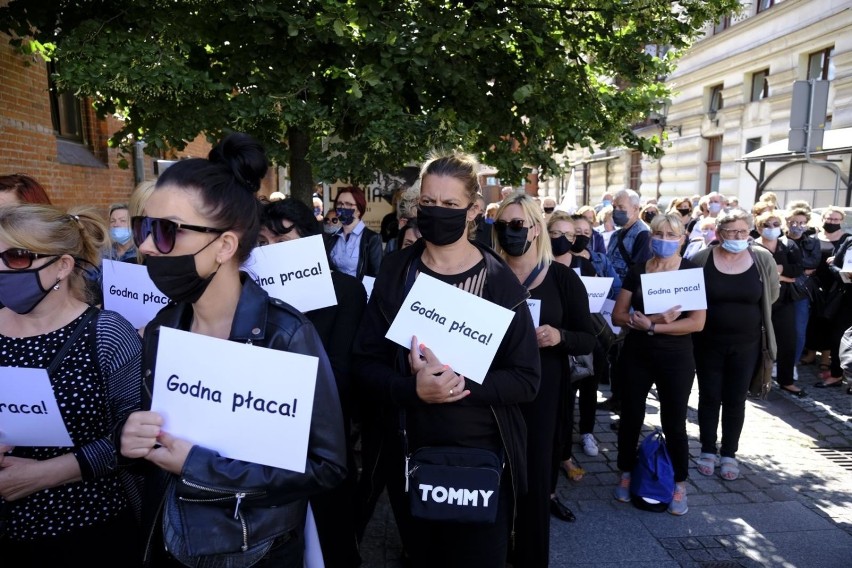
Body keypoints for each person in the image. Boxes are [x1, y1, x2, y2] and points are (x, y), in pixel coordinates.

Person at [118, 133, 347, 567]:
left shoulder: (286, 335)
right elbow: (155, 442)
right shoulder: (164, 327)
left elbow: (326, 466)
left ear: (224, 245)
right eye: (142, 227)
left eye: (166, 231)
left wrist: (201, 467)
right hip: (171, 541)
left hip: (257, 549)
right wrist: (126, 440)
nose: (145, 246)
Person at [352, 150, 540, 568]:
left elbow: (526, 379)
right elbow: (364, 363)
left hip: (480, 456)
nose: (436, 213)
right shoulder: (396, 271)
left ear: (473, 210)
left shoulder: (499, 283)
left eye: (450, 205)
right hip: (409, 450)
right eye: (428, 203)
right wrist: (412, 389)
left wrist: (456, 386)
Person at [0, 204, 143, 566]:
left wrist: (43, 475)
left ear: (62, 266)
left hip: (90, 529)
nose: (1, 268)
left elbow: (134, 438)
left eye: (16, 257)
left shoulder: (108, 334)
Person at [258, 198, 365, 568]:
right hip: (264, 439)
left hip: (320, 443)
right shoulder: (249, 295)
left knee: (329, 543)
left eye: (281, 242)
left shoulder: (346, 291)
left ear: (308, 241)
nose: (269, 252)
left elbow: (341, 373)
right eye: (262, 244)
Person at [494, 195, 594, 565]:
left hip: (543, 390)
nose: (509, 232)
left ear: (536, 228)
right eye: (502, 225)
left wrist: (559, 336)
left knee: (535, 480)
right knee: (497, 476)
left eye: (517, 225)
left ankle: (530, 557)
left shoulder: (561, 277)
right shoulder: (488, 271)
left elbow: (588, 337)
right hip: (495, 388)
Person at [610, 214, 706, 515]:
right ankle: (625, 473)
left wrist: (655, 326)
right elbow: (617, 315)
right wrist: (651, 321)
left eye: (671, 235)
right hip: (637, 355)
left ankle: (679, 484)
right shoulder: (639, 270)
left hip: (676, 358)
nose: (664, 240)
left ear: (682, 239)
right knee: (630, 417)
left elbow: (697, 322)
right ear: (651, 237)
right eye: (659, 234)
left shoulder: (691, 272)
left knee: (674, 422)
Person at [690, 209, 779, 482]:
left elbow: (772, 294)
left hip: (748, 343)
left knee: (735, 399)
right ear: (719, 234)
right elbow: (689, 293)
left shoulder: (762, 258)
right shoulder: (700, 259)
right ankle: (707, 449)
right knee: (709, 396)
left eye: (743, 231)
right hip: (708, 342)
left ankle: (729, 453)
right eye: (731, 232)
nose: (738, 237)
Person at [548, 213, 603, 464]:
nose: (564, 239)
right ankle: (562, 452)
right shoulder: (540, 264)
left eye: (569, 235)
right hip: (553, 341)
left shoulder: (585, 266)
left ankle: (587, 433)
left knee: (589, 386)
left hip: (579, 337)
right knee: (562, 401)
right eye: (557, 234)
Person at [600, 188, 652, 414]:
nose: (617, 212)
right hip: (611, 298)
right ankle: (616, 396)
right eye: (615, 208)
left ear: (636, 209)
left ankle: (623, 400)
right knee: (614, 351)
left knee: (623, 352)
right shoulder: (616, 234)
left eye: (622, 208)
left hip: (628, 301)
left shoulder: (643, 233)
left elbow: (639, 270)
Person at [752, 211, 806, 396]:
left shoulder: (788, 245)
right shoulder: (752, 247)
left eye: (776, 224)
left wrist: (778, 271)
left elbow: (798, 269)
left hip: (784, 301)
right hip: (760, 300)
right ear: (758, 227)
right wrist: (783, 276)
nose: (772, 228)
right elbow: (754, 273)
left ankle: (787, 381)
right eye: (767, 224)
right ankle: (753, 380)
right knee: (757, 341)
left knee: (788, 341)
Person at [809, 207, 851, 384]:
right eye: (830, 219)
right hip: (847, 296)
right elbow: (833, 266)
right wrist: (843, 273)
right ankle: (836, 374)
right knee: (839, 336)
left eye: (836, 219)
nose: (832, 222)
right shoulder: (849, 242)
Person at [327, 186, 383, 280]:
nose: (342, 207)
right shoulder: (332, 237)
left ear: (359, 210)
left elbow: (375, 275)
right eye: (339, 203)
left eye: (348, 204)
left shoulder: (372, 238)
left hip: (358, 292)